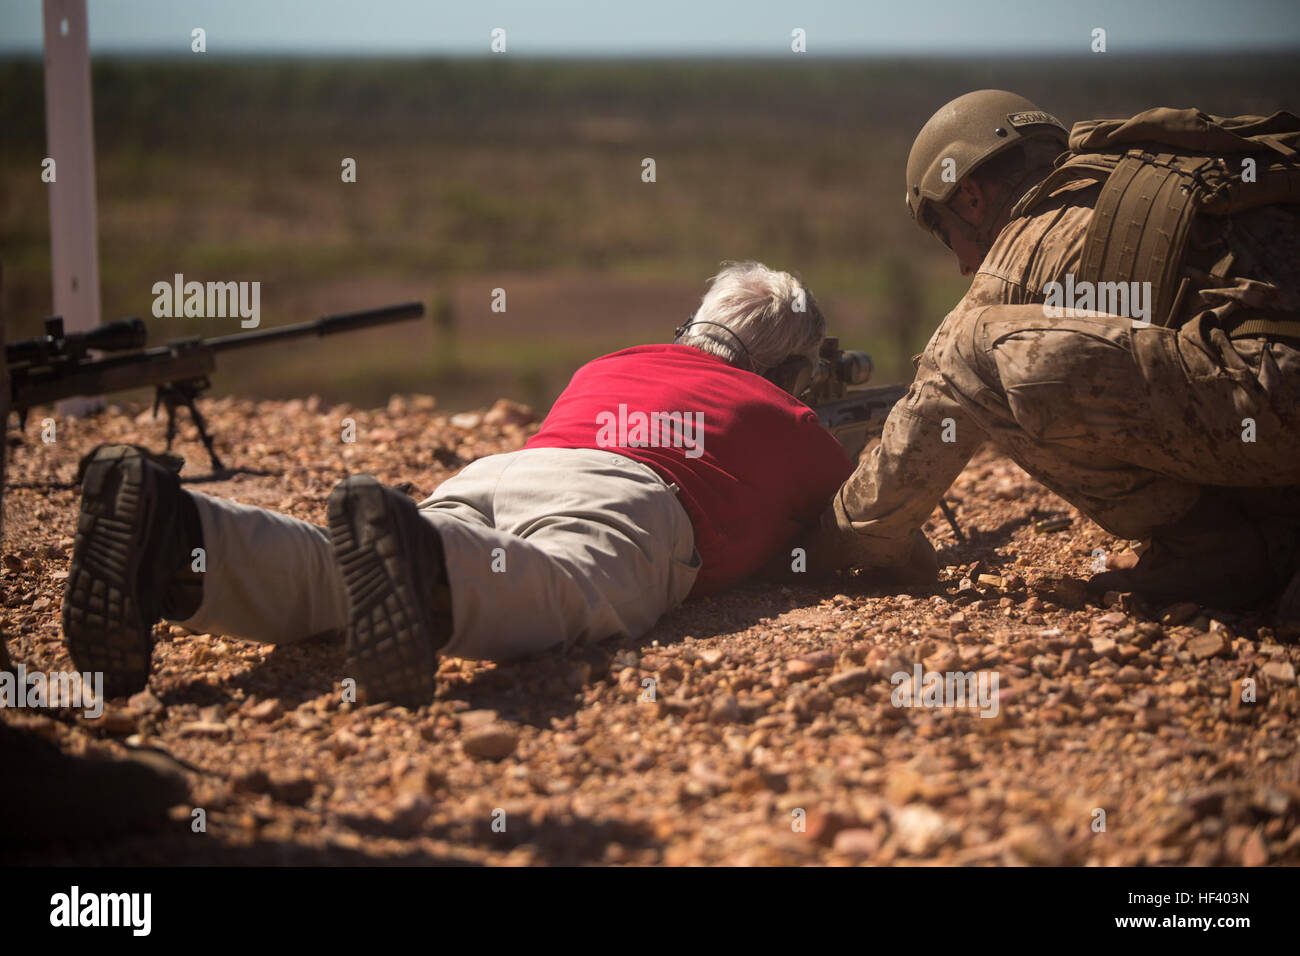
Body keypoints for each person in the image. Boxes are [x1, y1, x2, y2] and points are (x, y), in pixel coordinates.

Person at [62, 262, 853, 707]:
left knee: (343, 573)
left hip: (503, 473)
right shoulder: (783, 413)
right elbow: (868, 526)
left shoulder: (610, 364)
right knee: (567, 588)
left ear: (693, 326)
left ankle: (185, 529)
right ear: (788, 371)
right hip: (629, 497)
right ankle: (429, 563)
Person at [817, 90, 1300, 615]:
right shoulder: (1147, 178)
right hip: (1270, 398)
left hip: (1278, 409)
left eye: (947, 234)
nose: (960, 264)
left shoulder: (1021, 254)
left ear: (972, 199)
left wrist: (821, 541)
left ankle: (1217, 554)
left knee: (969, 346)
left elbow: (921, 430)